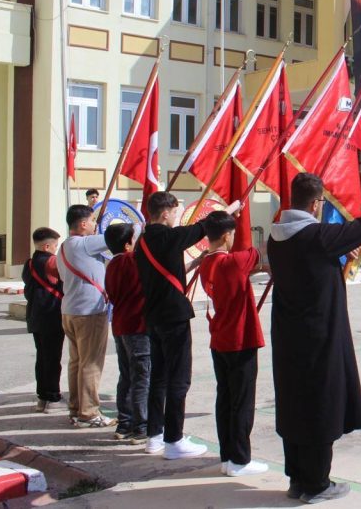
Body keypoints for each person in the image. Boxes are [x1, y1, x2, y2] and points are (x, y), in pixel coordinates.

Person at [269, 173, 361, 503]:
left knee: (293, 404)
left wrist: (334, 264)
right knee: (320, 405)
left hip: (288, 334)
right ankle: (318, 483)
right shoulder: (317, 235)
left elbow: (309, 270)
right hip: (318, 336)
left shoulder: (276, 238)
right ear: (315, 203)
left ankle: (297, 478)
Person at [137, 192, 238, 459]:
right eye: (175, 211)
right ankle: (174, 440)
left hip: (155, 315)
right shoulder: (167, 237)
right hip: (173, 316)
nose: (177, 215)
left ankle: (154, 436)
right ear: (166, 212)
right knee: (179, 378)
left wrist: (193, 263)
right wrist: (227, 212)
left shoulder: (143, 241)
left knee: (158, 377)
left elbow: (164, 272)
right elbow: (203, 227)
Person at [199, 211, 269, 477]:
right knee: (242, 401)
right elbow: (255, 250)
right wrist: (245, 217)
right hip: (240, 339)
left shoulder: (207, 263)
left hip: (220, 339)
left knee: (225, 399)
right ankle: (240, 459)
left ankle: (228, 456)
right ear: (227, 235)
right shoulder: (234, 262)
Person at [57, 204, 115, 428]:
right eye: (92, 220)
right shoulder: (85, 243)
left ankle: (75, 408)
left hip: (70, 311)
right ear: (82, 224)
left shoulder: (63, 247)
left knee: (77, 363)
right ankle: (89, 413)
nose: (95, 225)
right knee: (91, 364)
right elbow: (120, 234)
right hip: (89, 312)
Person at [103, 223, 150, 445]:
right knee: (142, 376)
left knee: (127, 375)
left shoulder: (112, 264)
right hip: (137, 326)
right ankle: (141, 426)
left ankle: (125, 423)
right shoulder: (133, 261)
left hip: (120, 324)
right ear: (128, 243)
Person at [22, 227, 64, 413]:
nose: (56, 248)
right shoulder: (52, 263)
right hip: (52, 314)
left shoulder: (29, 263)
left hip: (35, 315)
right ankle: (53, 397)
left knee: (42, 357)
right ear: (47, 246)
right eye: (55, 245)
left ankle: (42, 398)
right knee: (53, 358)